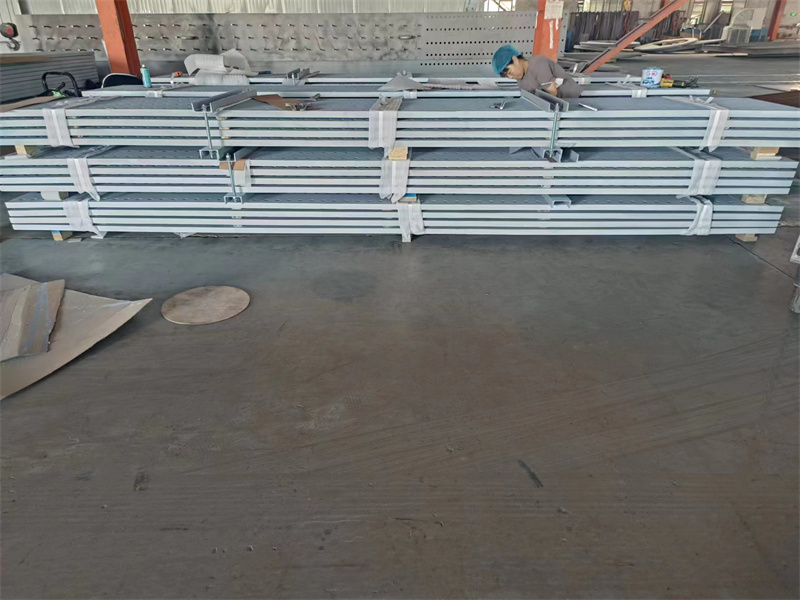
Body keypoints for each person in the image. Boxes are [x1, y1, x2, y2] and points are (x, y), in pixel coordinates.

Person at [492, 45, 583, 99]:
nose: (511, 77)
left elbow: (552, 93)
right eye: (507, 76)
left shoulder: (538, 64)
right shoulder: (521, 78)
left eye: (510, 72)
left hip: (572, 100)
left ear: (515, 60)